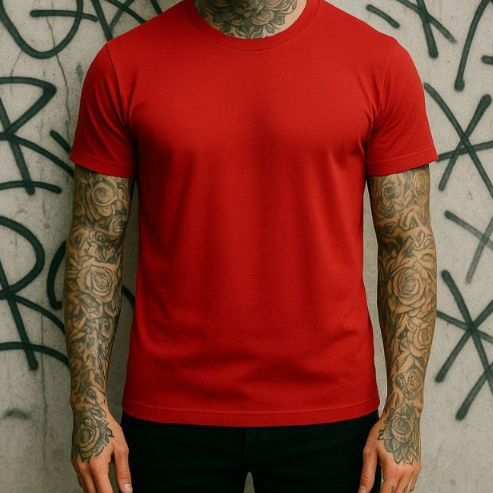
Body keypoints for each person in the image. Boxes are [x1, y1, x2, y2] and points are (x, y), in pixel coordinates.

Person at [63, 0, 439, 492]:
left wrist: (405, 411)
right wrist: (88, 406)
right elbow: (96, 241)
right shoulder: (122, 65)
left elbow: (407, 243)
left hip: (331, 411)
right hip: (171, 411)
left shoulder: (379, 63)